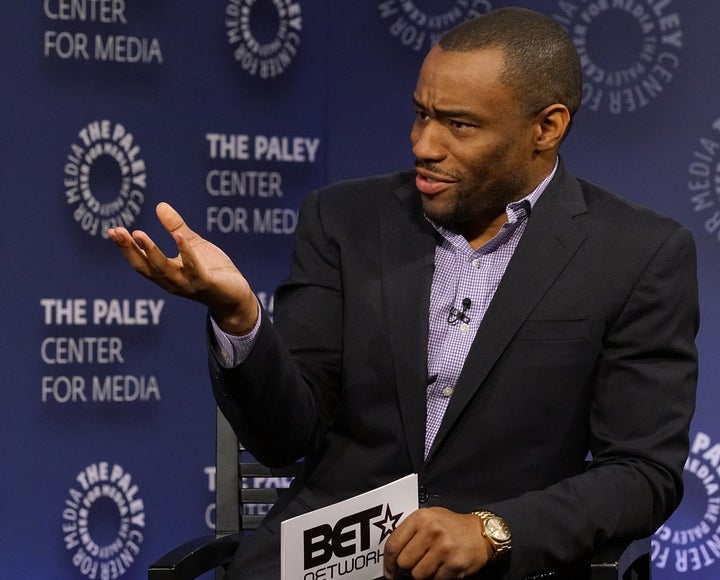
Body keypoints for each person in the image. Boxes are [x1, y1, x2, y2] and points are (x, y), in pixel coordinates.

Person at [109, 7, 699, 580]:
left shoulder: (638, 254)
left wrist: (492, 531)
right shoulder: (342, 220)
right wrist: (239, 319)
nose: (424, 145)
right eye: (421, 115)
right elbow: (285, 437)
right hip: (328, 561)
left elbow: (642, 473)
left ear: (547, 127)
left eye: (459, 125)